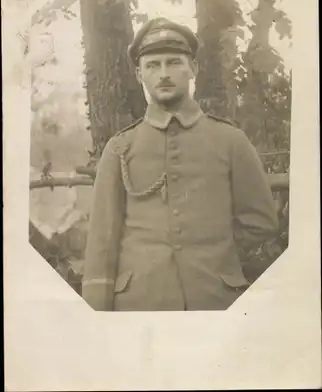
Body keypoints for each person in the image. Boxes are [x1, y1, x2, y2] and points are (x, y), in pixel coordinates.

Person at [82, 17, 278, 311]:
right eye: (152, 65)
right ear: (139, 74)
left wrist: (216, 251)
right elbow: (101, 243)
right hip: (139, 304)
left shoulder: (230, 141)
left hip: (215, 300)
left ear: (193, 69)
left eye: (174, 63)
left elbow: (261, 221)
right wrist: (96, 315)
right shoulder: (120, 147)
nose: (163, 74)